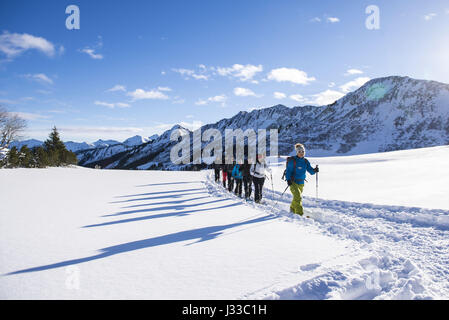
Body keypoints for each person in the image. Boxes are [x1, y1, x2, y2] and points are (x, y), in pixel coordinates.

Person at [285, 143, 318, 216]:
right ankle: (299, 215)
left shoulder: (305, 161)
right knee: (298, 197)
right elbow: (288, 171)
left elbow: (310, 171)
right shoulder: (292, 161)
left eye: (303, 151)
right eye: (299, 152)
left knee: (296, 197)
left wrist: (315, 170)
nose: (301, 153)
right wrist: (288, 180)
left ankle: (292, 209)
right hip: (293, 182)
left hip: (301, 183)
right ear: (297, 152)